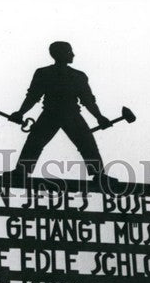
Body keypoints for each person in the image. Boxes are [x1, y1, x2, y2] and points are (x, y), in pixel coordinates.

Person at [9, 41, 112, 184]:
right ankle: (99, 175)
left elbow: (33, 96)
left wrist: (20, 113)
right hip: (67, 115)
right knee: (86, 144)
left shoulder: (47, 73)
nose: (73, 55)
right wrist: (99, 117)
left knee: (36, 142)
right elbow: (88, 101)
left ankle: (21, 172)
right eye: (70, 52)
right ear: (60, 54)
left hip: (54, 114)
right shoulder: (76, 76)